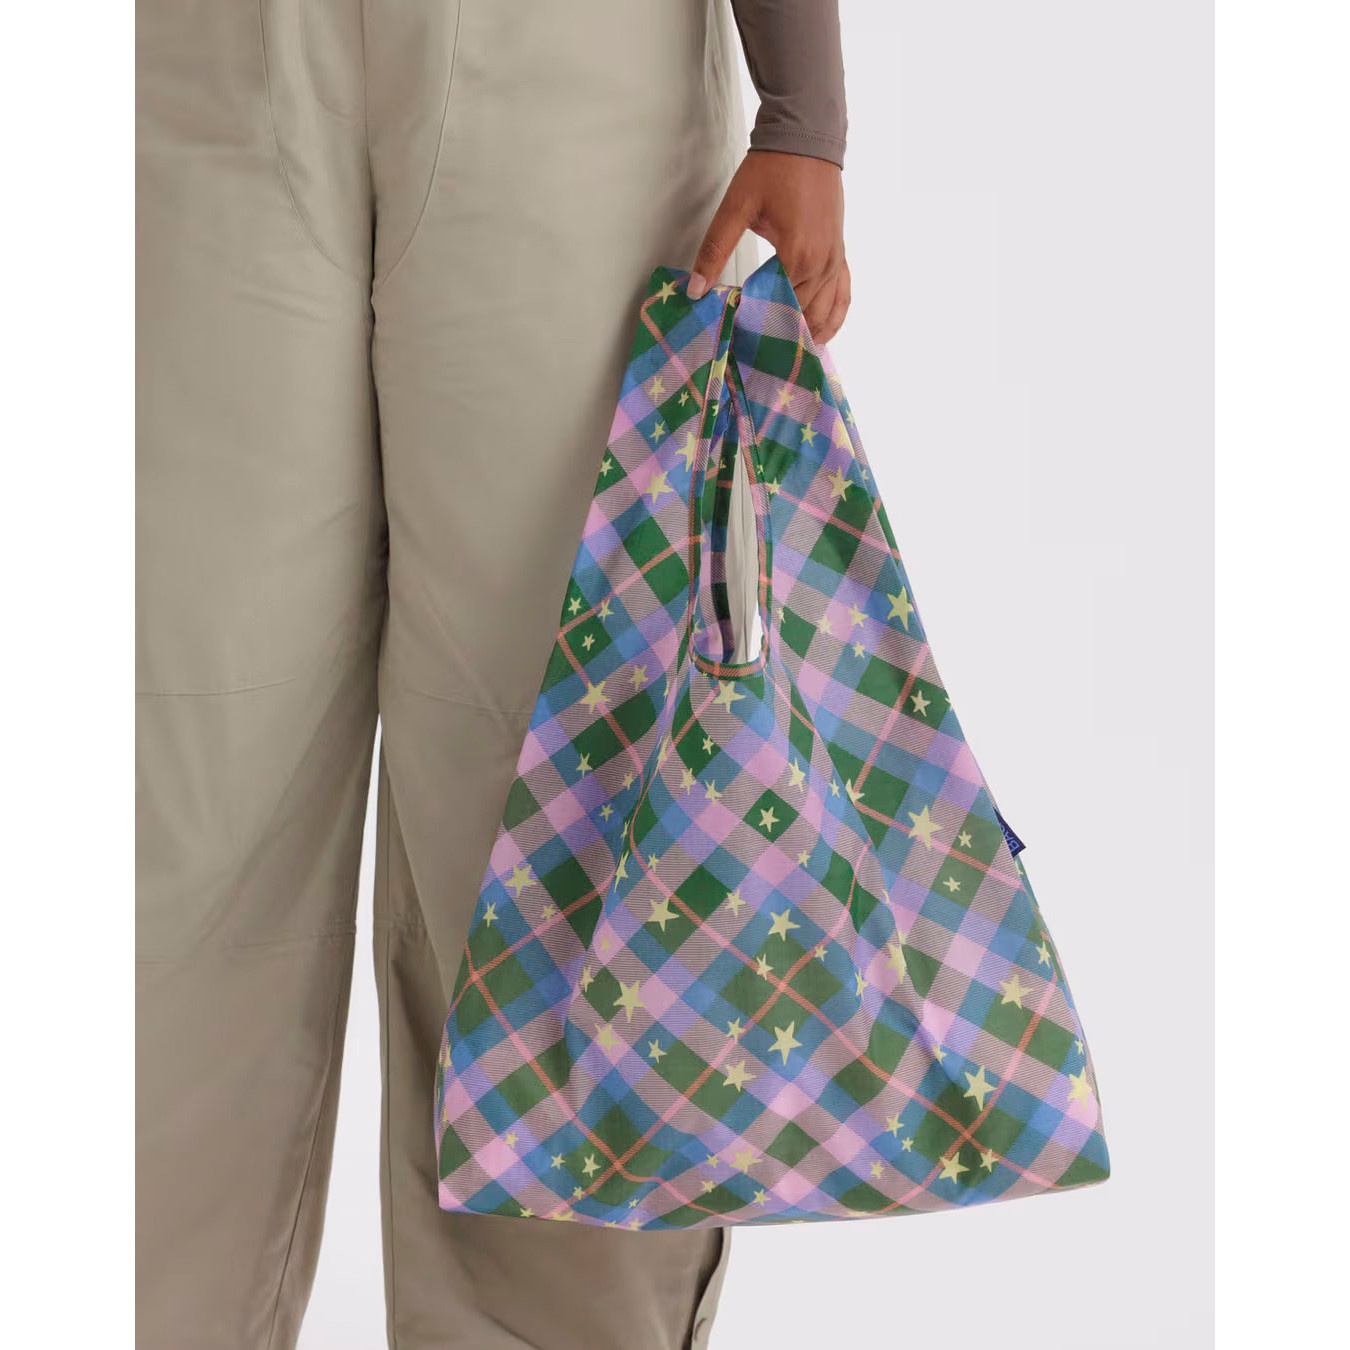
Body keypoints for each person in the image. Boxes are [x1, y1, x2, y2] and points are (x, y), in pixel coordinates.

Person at [136, 2, 848, 1346]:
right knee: (171, 786)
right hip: (191, 60)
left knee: (560, 791)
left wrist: (802, 103)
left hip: (578, 72)